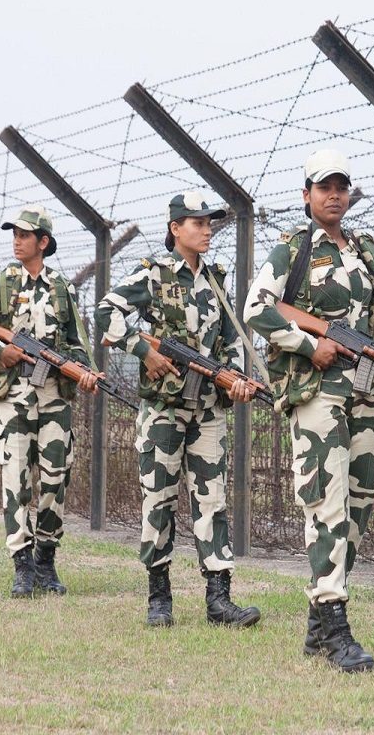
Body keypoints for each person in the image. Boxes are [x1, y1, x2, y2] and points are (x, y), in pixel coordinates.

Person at [244, 148, 374, 673]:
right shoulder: (292, 250)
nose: (334, 195)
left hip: (365, 393)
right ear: (307, 195)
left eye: (341, 186)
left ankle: (319, 623)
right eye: (324, 187)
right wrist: (304, 343)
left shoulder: (364, 249)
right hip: (316, 393)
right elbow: (257, 309)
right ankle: (336, 626)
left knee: (363, 495)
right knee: (328, 502)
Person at [94, 191, 261, 628]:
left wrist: (237, 379)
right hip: (164, 410)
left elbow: (230, 340)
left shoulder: (217, 281)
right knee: (159, 500)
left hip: (207, 408)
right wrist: (141, 351)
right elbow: (106, 312)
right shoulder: (152, 275)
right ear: (175, 228)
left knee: (213, 501)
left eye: (210, 223)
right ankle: (159, 596)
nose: (207, 229)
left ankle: (219, 599)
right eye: (197, 222)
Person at [0, 204, 99, 598]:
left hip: (53, 396)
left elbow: (78, 343)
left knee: (55, 477)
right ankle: (21, 564)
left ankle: (45, 560)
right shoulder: (0, 282)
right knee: (16, 479)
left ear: (44, 242)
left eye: (25, 235)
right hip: (13, 396)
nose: (17, 241)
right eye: (14, 234)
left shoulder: (62, 288)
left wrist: (83, 371)